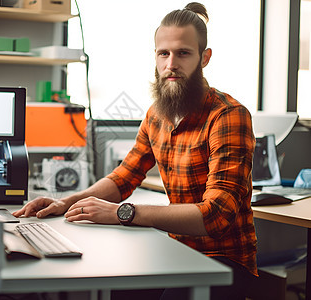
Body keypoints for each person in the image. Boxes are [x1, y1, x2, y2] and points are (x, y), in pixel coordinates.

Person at [14, 2, 257, 299]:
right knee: (121, 286)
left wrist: (123, 213)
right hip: (177, 250)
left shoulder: (228, 115)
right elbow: (123, 178)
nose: (171, 65)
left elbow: (216, 216)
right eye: (163, 54)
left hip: (225, 260)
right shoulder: (157, 114)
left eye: (183, 53)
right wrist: (67, 202)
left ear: (204, 58)